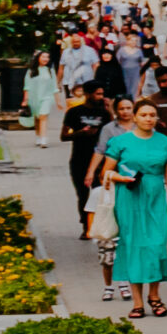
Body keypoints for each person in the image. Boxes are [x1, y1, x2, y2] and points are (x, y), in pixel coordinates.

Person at [105, 97, 167, 321]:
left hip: (155, 198)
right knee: (133, 246)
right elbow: (106, 172)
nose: (148, 119)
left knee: (156, 246)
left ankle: (154, 296)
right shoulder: (120, 142)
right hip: (129, 198)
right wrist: (121, 177)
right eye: (144, 115)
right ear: (135, 117)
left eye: (152, 115)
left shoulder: (165, 143)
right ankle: (137, 302)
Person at [63, 83, 110, 235]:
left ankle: (99, 224)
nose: (101, 97)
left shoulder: (104, 113)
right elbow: (63, 136)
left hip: (100, 160)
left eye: (102, 94)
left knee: (100, 193)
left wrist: (110, 109)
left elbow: (113, 132)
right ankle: (85, 226)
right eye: (98, 94)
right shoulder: (74, 112)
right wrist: (80, 133)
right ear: (88, 94)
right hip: (79, 159)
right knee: (83, 195)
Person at [25, 49, 59, 147]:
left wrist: (58, 101)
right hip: (34, 98)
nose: (46, 59)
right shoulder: (31, 71)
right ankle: (38, 136)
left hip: (47, 98)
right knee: (37, 118)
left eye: (47, 57)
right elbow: (27, 86)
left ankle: (44, 139)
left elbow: (55, 86)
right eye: (43, 57)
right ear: (38, 58)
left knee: (43, 116)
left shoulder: (50, 71)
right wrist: (25, 99)